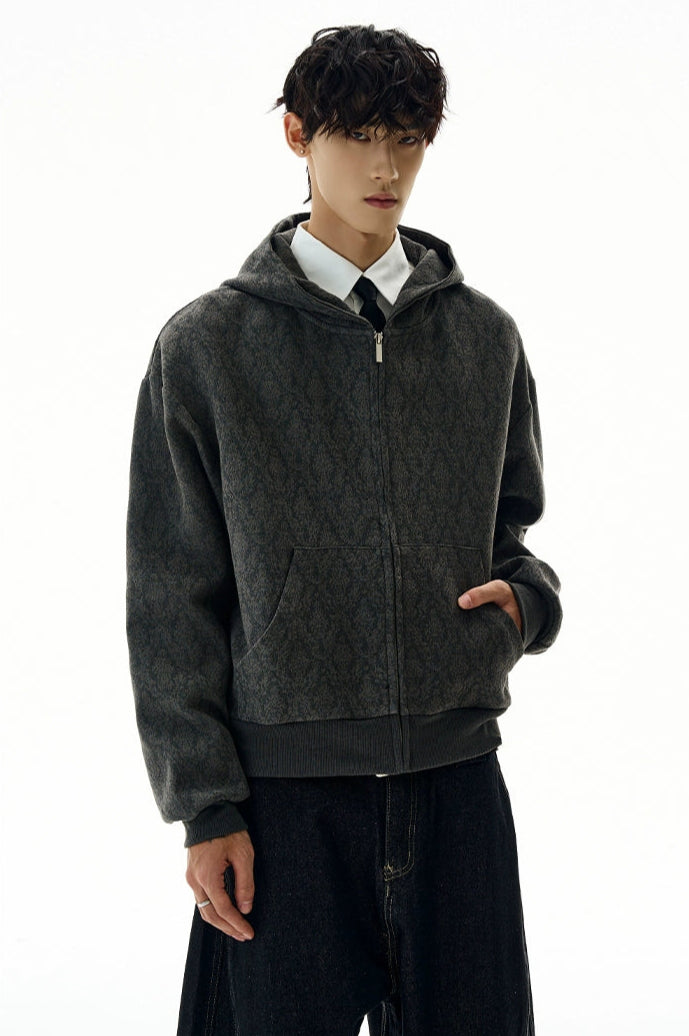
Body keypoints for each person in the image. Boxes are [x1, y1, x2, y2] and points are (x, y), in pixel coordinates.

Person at [126, 24, 562, 1036]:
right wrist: (206, 807)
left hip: (456, 788)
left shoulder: (483, 337)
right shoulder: (207, 347)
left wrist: (527, 602)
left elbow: (511, 531)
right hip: (285, 806)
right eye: (358, 135)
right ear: (297, 135)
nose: (384, 168)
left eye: (407, 138)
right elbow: (170, 592)